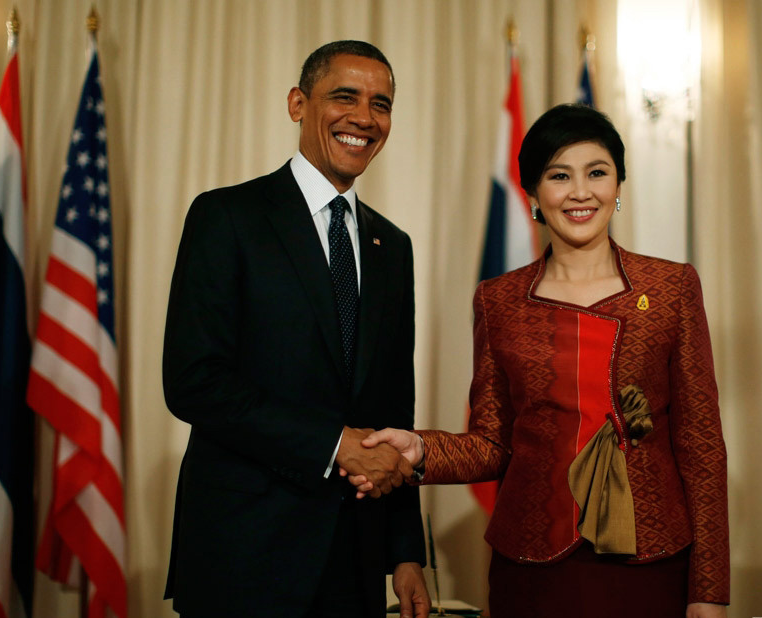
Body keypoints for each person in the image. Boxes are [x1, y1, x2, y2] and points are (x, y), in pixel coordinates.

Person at [351, 104, 729, 618]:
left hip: (649, 560)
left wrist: (708, 592)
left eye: (597, 173)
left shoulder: (671, 288)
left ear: (619, 185)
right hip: (532, 566)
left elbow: (701, 446)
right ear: (533, 192)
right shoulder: (498, 299)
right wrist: (419, 449)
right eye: (559, 176)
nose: (580, 192)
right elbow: (491, 444)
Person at [163, 40, 430, 618]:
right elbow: (193, 381)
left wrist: (407, 551)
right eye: (344, 96)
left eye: (381, 104)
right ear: (297, 103)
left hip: (353, 560)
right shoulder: (226, 217)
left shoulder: (394, 247)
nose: (364, 118)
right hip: (243, 555)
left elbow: (393, 411)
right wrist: (335, 446)